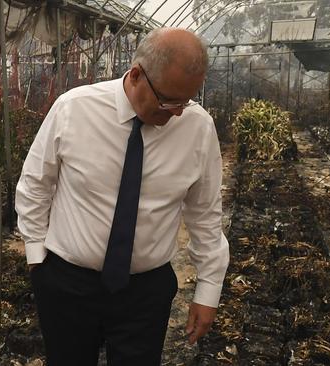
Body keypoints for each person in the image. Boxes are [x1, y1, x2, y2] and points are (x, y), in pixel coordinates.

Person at [15, 28, 230, 366]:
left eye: (185, 101)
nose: (176, 112)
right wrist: (36, 257)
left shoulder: (198, 129)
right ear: (136, 75)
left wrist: (208, 291)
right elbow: (35, 184)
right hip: (68, 284)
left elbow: (205, 214)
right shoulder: (74, 109)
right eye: (169, 100)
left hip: (145, 293)